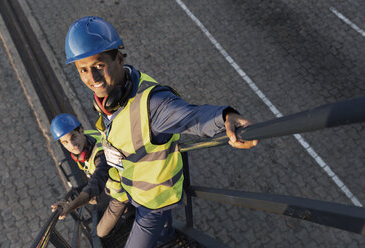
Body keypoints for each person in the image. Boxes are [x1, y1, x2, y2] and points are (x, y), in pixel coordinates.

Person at [64, 16, 258, 247]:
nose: (92, 78)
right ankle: (168, 239)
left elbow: (190, 117)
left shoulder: (152, 104)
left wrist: (226, 117)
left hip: (154, 200)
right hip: (139, 190)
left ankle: (167, 237)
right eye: (83, 70)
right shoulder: (111, 97)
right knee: (164, 231)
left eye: (98, 66)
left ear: (118, 58)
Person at [50, 113, 132, 238]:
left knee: (100, 232)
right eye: (65, 142)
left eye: (73, 137)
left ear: (81, 130)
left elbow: (97, 181)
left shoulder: (101, 155)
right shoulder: (89, 138)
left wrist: (71, 205)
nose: (72, 145)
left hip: (122, 194)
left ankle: (128, 215)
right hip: (112, 186)